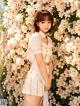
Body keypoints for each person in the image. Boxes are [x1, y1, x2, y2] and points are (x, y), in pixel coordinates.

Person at [22, 10, 53, 106]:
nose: (46, 25)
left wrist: (49, 79)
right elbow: (40, 62)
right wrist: (47, 82)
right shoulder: (35, 37)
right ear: (37, 23)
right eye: (43, 22)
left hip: (45, 78)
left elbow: (50, 62)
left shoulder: (49, 40)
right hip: (36, 79)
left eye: (49, 22)